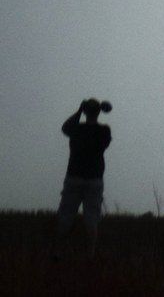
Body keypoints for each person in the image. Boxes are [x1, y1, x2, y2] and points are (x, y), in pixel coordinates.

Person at [54, 98, 112, 258]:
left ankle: (58, 252)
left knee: (66, 215)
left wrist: (79, 110)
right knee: (92, 218)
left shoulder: (77, 129)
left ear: (86, 111)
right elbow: (105, 143)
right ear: (98, 112)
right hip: (94, 179)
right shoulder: (104, 131)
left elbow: (65, 128)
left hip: (74, 177)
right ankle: (90, 255)